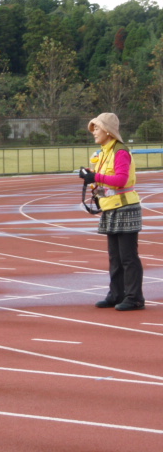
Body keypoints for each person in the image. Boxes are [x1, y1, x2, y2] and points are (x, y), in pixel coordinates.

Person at [79, 112, 145, 311]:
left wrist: (96, 177)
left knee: (128, 257)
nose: (94, 133)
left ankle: (134, 298)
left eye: (97, 128)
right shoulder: (104, 151)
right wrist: (92, 177)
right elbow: (106, 179)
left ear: (108, 130)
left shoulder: (120, 151)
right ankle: (116, 294)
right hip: (111, 207)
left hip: (125, 207)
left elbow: (121, 180)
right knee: (115, 257)